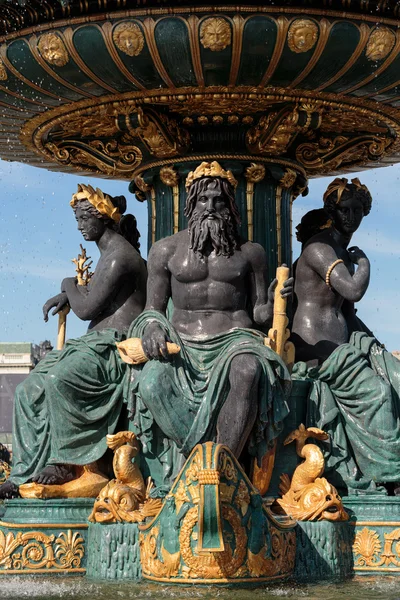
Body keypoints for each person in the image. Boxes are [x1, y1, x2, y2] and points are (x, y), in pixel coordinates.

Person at [126, 161, 292, 488]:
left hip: (235, 339)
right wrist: (153, 328)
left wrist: (274, 303)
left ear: (230, 205)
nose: (211, 207)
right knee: (151, 382)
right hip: (182, 345)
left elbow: (258, 312)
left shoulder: (251, 253)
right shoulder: (164, 251)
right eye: (203, 200)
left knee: (248, 370)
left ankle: (220, 465)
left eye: (219, 200)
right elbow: (151, 310)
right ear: (190, 205)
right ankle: (195, 457)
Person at [0, 184, 147, 498]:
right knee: (28, 390)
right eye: (77, 219)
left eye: (83, 218)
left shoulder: (120, 256)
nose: (79, 225)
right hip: (91, 345)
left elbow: (86, 309)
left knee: (56, 378)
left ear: (102, 217)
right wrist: (72, 291)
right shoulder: (108, 256)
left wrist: (68, 284)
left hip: (114, 348)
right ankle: (22, 473)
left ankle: (66, 463)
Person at [292, 178, 400, 494]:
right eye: (344, 210)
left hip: (342, 341)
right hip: (316, 346)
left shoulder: (337, 249)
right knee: (377, 394)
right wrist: (364, 262)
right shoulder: (320, 248)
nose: (351, 217)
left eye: (358, 211)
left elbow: (349, 314)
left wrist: (375, 347)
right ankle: (388, 476)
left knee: (394, 377)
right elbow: (353, 290)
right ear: (331, 210)